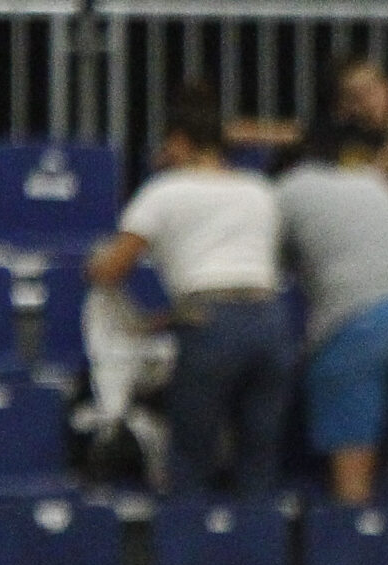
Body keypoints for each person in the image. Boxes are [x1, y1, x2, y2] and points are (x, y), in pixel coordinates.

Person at [91, 83, 288, 497]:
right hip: (271, 323)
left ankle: (191, 557)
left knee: (191, 458)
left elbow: (110, 272)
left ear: (180, 140)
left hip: (211, 327)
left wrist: (95, 261)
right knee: (259, 460)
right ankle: (256, 556)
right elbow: (243, 272)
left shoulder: (163, 191)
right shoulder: (260, 190)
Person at [278, 107, 388, 520]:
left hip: (354, 319)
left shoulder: (286, 191)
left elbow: (269, 267)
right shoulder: (373, 182)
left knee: (353, 485)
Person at [229, 59, 388, 252]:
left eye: (373, 89)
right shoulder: (328, 131)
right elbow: (250, 130)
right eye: (357, 94)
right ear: (343, 102)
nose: (368, 100)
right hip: (360, 209)